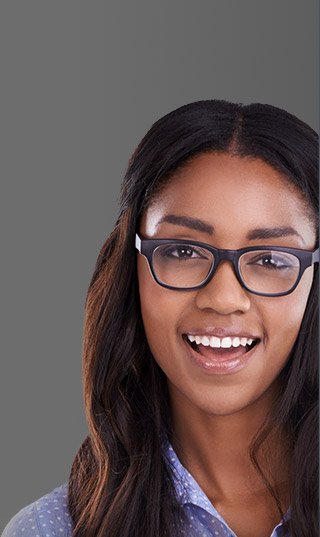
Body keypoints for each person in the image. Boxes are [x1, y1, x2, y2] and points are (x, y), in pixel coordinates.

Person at [2, 100, 318, 537]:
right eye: (183, 251)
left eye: (269, 258)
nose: (224, 298)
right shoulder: (52, 529)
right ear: (131, 270)